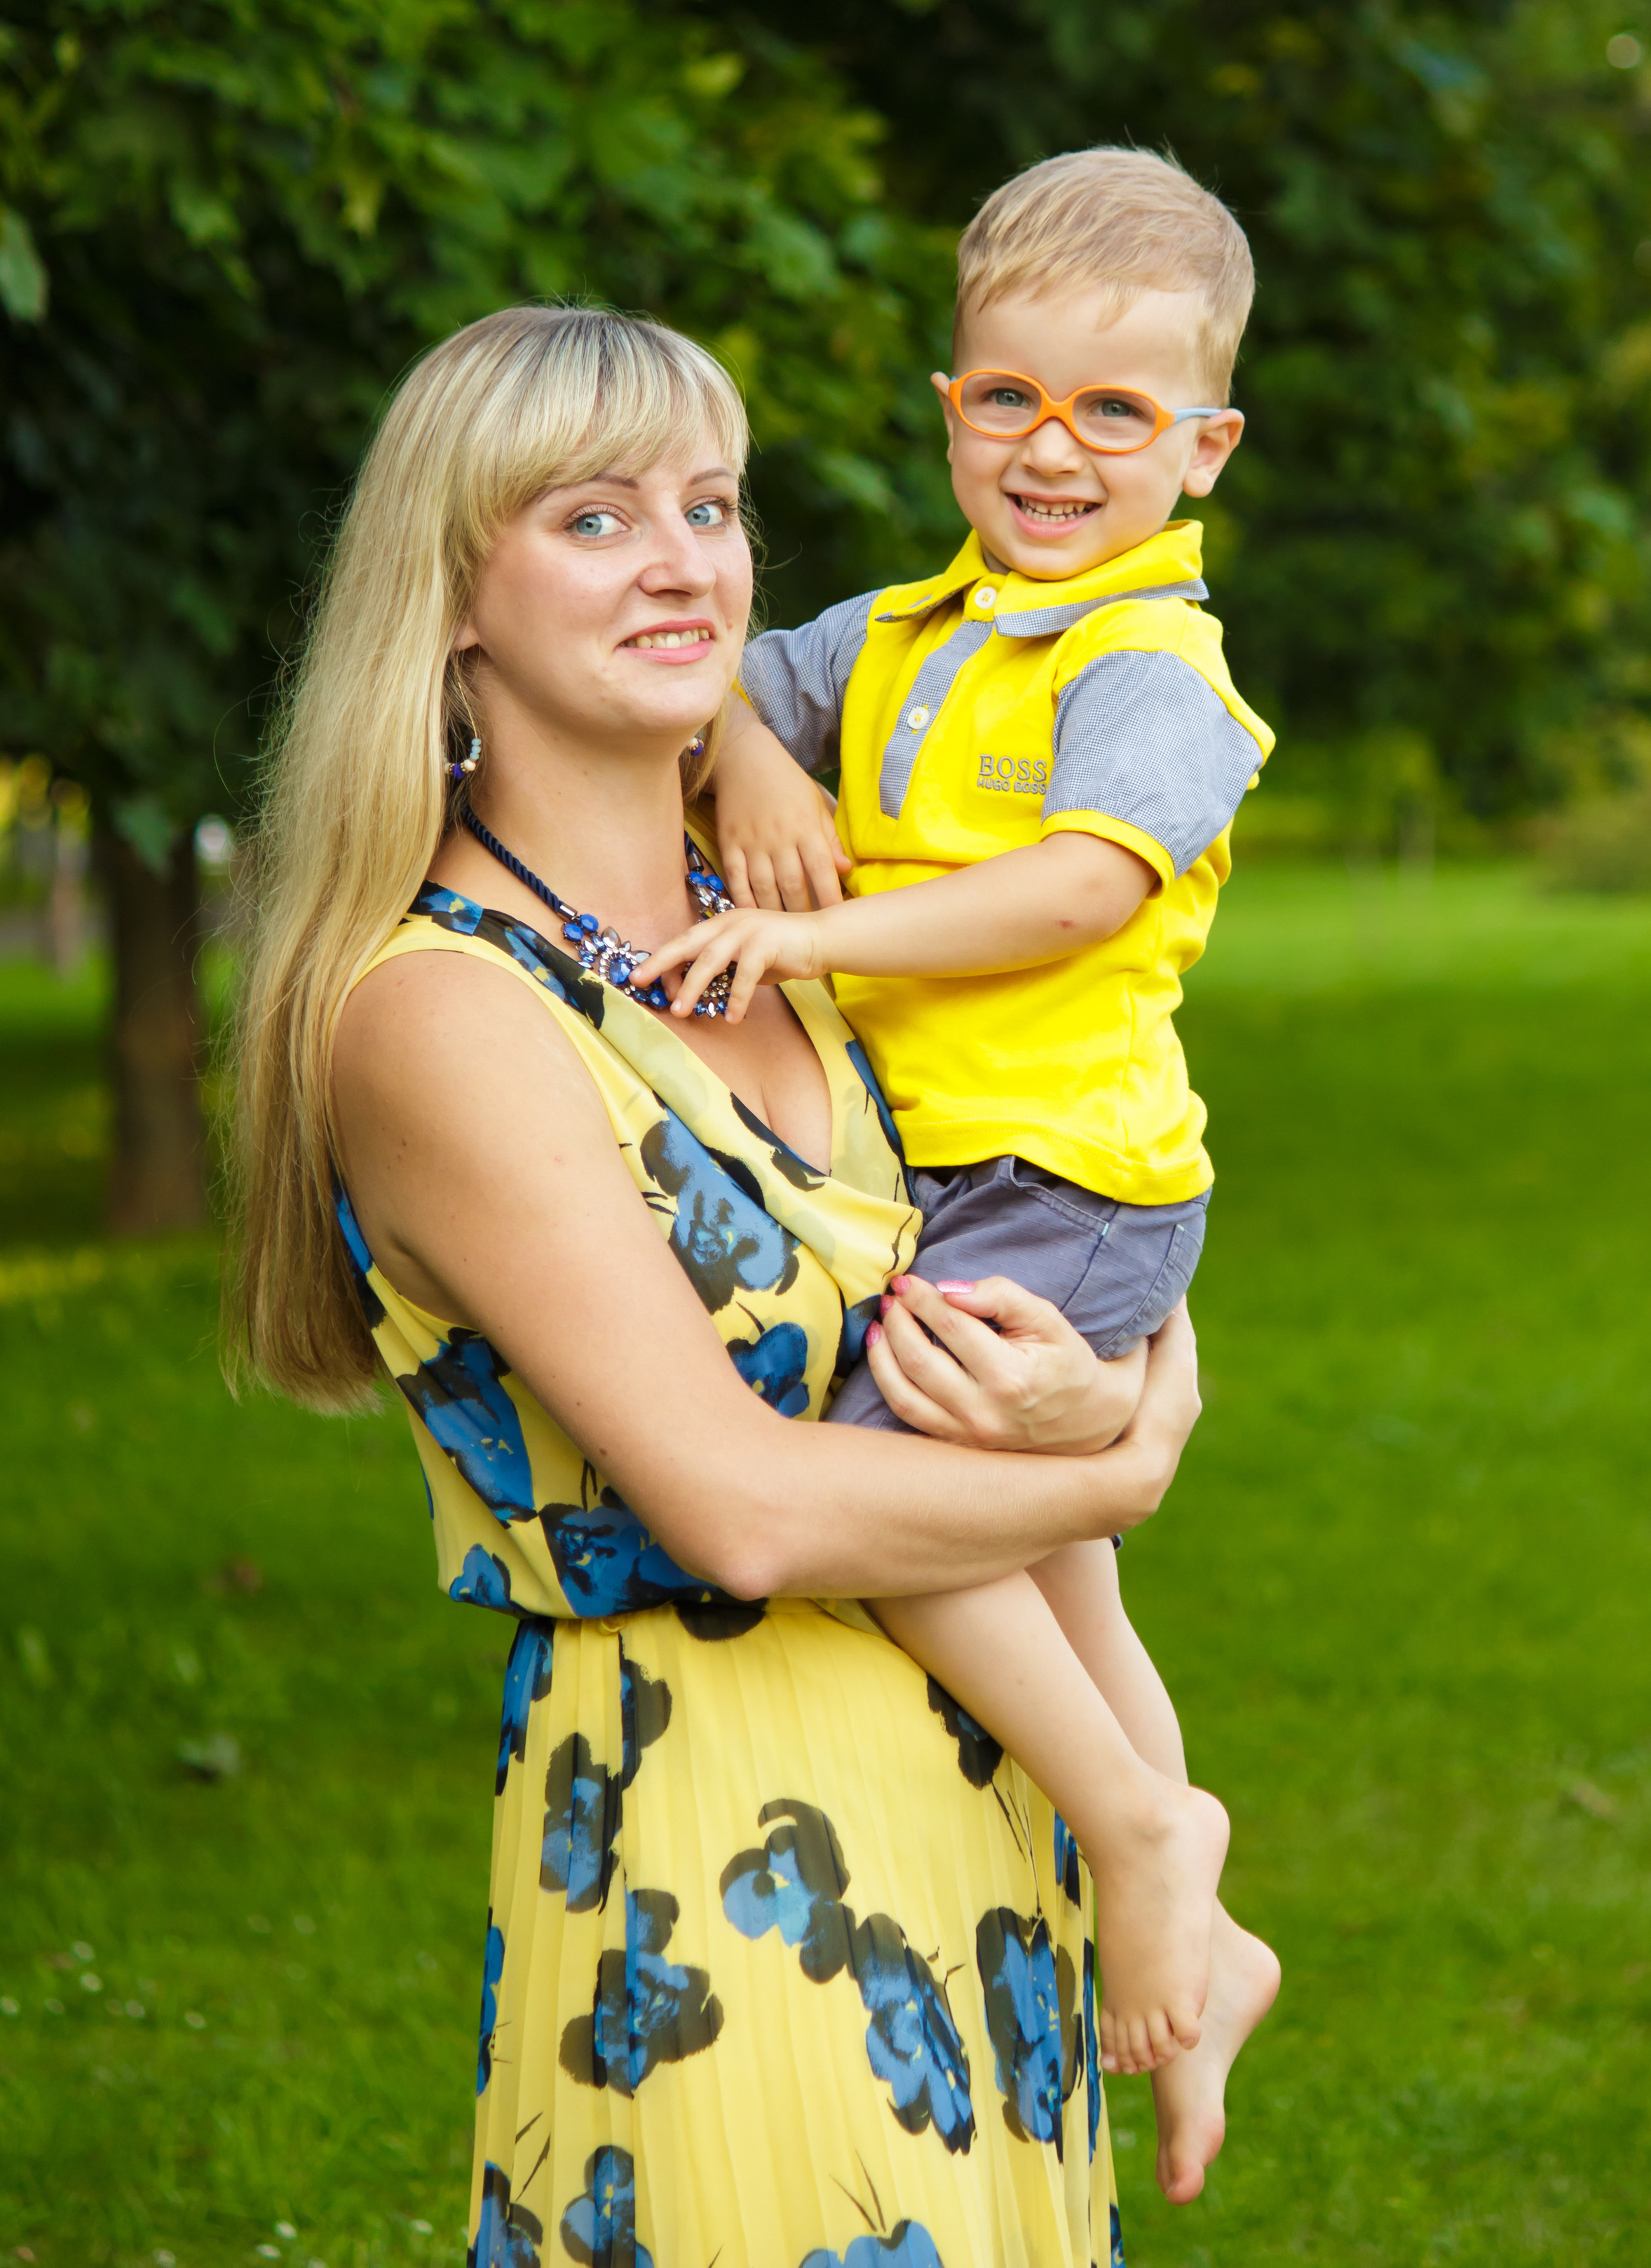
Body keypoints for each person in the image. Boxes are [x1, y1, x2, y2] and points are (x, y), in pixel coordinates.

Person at [227, 301, 1204, 2267]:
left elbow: (1087, 1205)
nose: (686, 558)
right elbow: (742, 1506)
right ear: (455, 597)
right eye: (595, 520)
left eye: (714, 504)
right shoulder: (437, 1012)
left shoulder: (798, 926)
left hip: (987, 1827)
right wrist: (1116, 1472)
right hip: (721, 1875)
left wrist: (1120, 1390)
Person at [630, 146, 1283, 2206]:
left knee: (875, 1470)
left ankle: (1143, 1828)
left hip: (1067, 1174)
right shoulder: (911, 629)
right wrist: (744, 752)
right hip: (954, 1170)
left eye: (1117, 412)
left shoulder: (1145, 675)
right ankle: (1206, 1911)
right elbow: (724, 679)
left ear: (1206, 445)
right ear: (950, 408)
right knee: (1050, 1551)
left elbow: (1079, 890)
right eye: (1009, 397)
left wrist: (807, 937)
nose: (1055, 447)